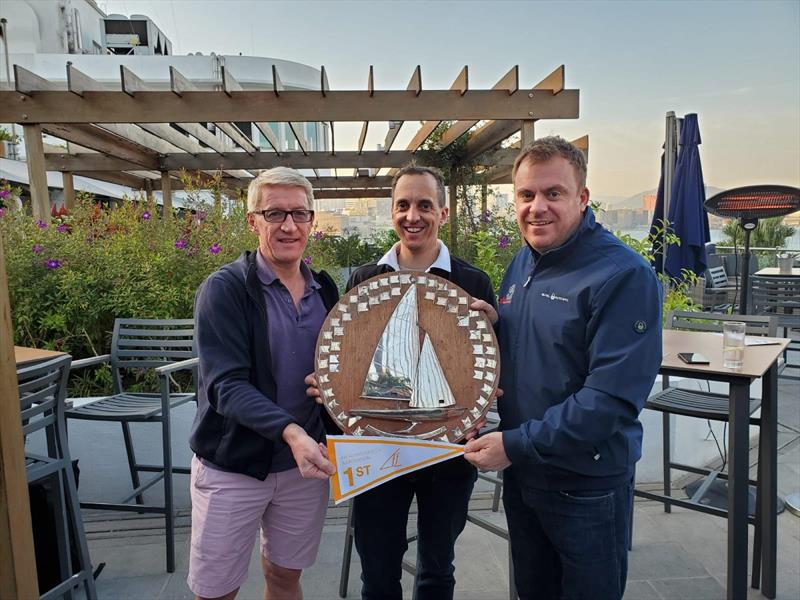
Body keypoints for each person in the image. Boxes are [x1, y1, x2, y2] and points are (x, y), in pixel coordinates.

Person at [464, 136, 663, 600]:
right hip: (526, 474)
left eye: (553, 193)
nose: (537, 207)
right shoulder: (524, 261)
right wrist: (498, 327)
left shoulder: (623, 275)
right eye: (526, 195)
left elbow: (610, 400)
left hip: (585, 486)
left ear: (583, 197)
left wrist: (514, 443)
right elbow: (544, 347)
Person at [324, 165, 497, 600]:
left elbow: (492, 367)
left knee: (438, 568)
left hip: (449, 450)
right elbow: (348, 356)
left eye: (424, 205)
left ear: (443, 212)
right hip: (375, 447)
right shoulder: (364, 279)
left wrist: (493, 338)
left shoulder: (472, 282)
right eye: (403, 205)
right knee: (378, 572)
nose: (413, 215)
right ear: (392, 212)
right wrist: (331, 391)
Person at [187, 167, 337, 600]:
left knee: (286, 577)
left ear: (312, 220)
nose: (288, 225)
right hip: (234, 464)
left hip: (302, 468)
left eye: (299, 213)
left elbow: (343, 363)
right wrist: (291, 432)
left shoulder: (324, 289)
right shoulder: (225, 289)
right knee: (216, 592)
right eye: (274, 214)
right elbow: (225, 386)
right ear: (252, 221)